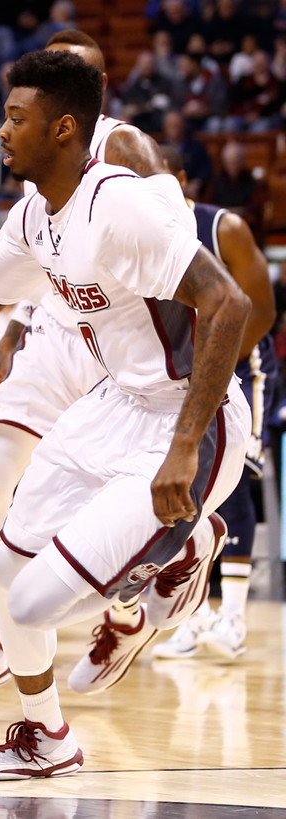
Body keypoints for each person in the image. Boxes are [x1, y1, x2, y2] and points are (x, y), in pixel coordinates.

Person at [0, 48, 250, 780]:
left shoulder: (116, 203)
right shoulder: (36, 215)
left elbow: (230, 302)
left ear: (63, 130)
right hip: (116, 403)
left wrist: (185, 444)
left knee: (29, 604)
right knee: (3, 569)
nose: (1, 132)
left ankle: (175, 557)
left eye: (14, 118)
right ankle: (48, 739)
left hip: (189, 414)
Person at [0, 29, 191, 709]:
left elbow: (177, 240)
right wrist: (11, 328)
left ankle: (138, 598)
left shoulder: (124, 148)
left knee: (111, 499)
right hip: (54, 326)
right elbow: (27, 265)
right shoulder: (37, 183)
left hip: (120, 333)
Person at [150, 145, 276, 662]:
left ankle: (236, 617)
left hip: (243, 370)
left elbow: (263, 312)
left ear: (181, 179)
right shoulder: (141, 234)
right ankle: (196, 614)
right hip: (181, 379)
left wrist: (218, 364)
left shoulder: (223, 227)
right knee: (186, 493)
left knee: (236, 487)